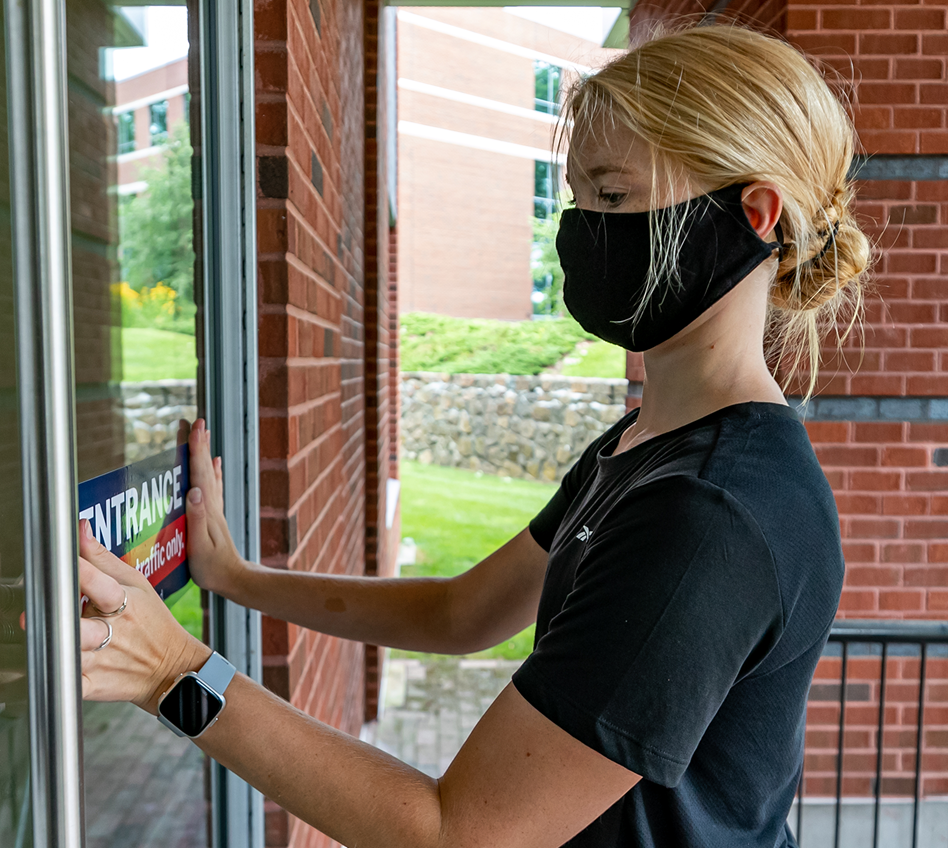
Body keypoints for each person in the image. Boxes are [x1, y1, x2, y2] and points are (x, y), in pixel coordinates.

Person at [77, 23, 869, 848]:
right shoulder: (643, 444)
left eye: (613, 196)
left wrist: (174, 673)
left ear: (750, 216)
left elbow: (461, 834)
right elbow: (460, 614)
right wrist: (237, 579)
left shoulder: (712, 514)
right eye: (577, 197)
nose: (580, 230)